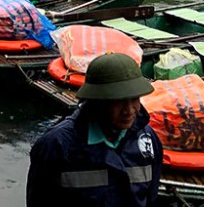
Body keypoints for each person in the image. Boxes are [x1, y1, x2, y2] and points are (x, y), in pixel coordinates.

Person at [26, 53, 162, 206]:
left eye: (134, 99)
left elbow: (151, 198)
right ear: (97, 101)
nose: (129, 110)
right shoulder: (57, 146)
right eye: (119, 101)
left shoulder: (147, 140)